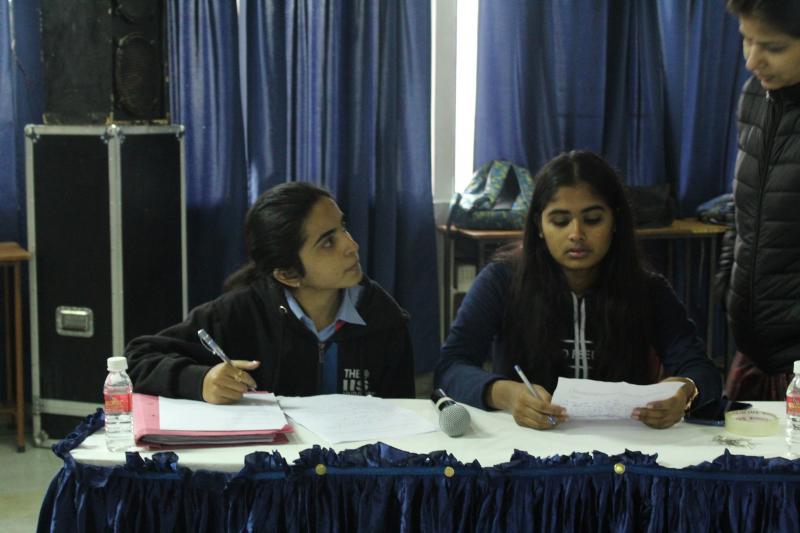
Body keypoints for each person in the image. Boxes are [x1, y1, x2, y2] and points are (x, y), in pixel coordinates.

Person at [434, 151, 722, 430]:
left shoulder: (648, 289)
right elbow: (451, 367)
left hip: (626, 448)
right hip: (528, 442)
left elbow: (702, 370)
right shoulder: (502, 281)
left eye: (593, 219)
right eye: (560, 221)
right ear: (539, 225)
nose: (576, 234)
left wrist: (684, 391)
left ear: (615, 221)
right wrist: (506, 394)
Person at [126, 182, 415, 403]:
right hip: (267, 461)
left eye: (343, 227)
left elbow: (403, 417)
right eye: (328, 242)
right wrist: (200, 381)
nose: (352, 245)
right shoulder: (238, 313)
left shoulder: (383, 319)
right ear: (287, 274)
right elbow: (135, 360)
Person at [723, 0, 800, 400]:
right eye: (746, 40)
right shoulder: (755, 94)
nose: (752, 61)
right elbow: (741, 209)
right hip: (753, 350)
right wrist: (726, 285)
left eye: (773, 47)